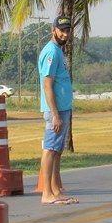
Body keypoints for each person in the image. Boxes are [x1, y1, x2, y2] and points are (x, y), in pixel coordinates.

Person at [38, 16, 77, 205]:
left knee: (57, 150)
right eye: (61, 30)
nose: (65, 34)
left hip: (63, 109)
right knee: (50, 149)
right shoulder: (51, 52)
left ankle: (55, 190)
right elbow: (47, 85)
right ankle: (46, 193)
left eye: (67, 30)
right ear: (53, 29)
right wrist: (54, 114)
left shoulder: (58, 51)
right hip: (56, 111)